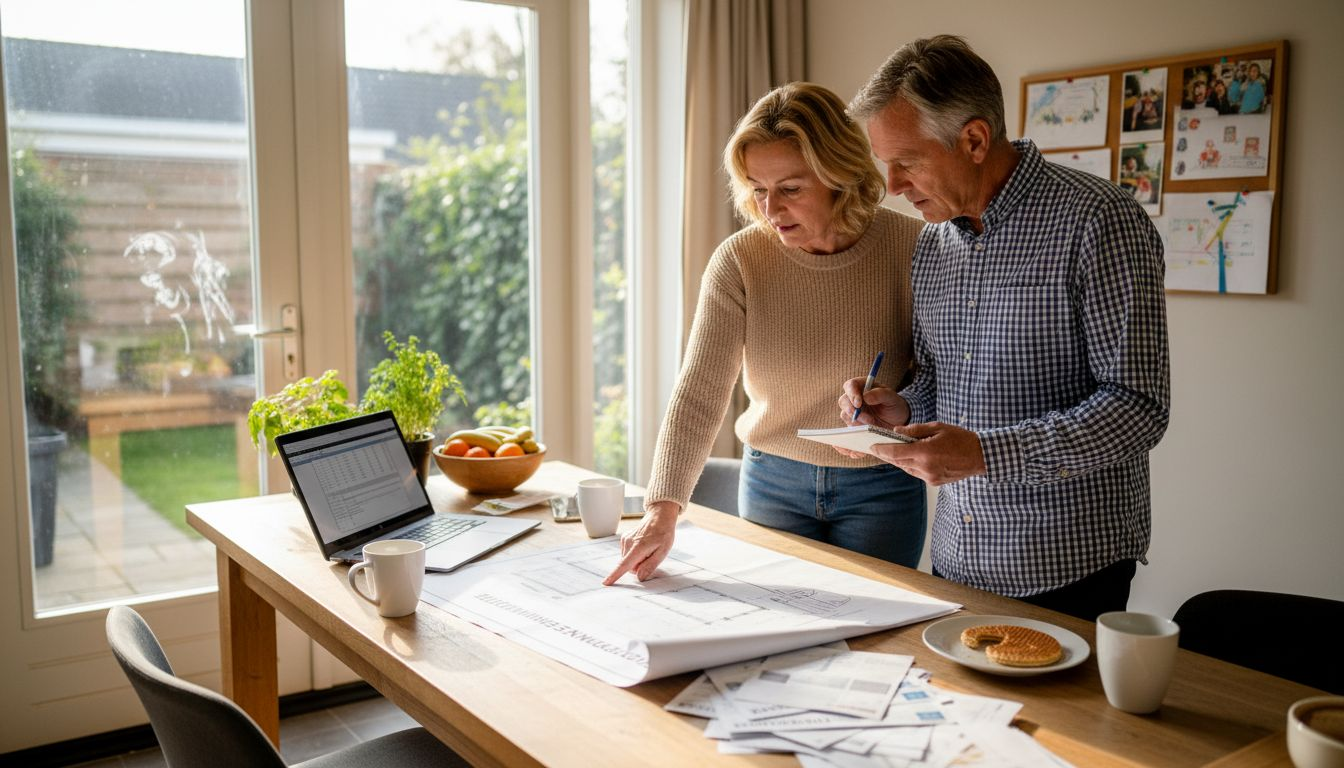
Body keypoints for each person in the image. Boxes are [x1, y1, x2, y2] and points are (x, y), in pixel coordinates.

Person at [837, 35, 1170, 622]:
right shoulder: (933, 243)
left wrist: (988, 455)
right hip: (957, 556)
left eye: (907, 162)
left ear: (973, 140)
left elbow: (1138, 408)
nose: (891, 186)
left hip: (1068, 564)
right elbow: (943, 375)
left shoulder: (1101, 221)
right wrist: (903, 409)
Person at [603, 83, 927, 585]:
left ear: (839, 176)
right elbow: (700, 391)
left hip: (882, 483)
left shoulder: (915, 248)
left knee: (877, 641)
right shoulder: (739, 260)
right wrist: (662, 509)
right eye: (758, 188)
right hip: (773, 481)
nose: (770, 210)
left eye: (791, 189)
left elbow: (946, 380)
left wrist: (897, 405)